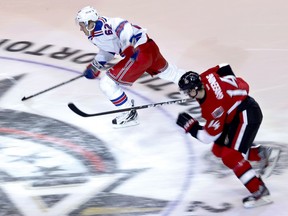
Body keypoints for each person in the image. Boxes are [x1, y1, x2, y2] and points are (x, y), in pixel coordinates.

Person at [176, 63, 280, 208]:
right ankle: (262, 154)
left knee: (230, 156)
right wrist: (231, 89)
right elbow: (224, 66)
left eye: (188, 91)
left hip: (246, 115)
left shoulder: (212, 108)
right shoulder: (206, 76)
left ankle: (259, 191)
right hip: (234, 113)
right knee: (218, 150)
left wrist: (191, 127)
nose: (187, 95)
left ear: (195, 88)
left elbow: (207, 137)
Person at [75, 6, 186, 128]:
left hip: (139, 53)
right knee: (168, 72)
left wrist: (128, 45)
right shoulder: (93, 35)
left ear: (89, 23)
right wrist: (95, 65)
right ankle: (197, 82)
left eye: (81, 25)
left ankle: (129, 113)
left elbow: (124, 26)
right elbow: (108, 50)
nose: (80, 28)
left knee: (107, 83)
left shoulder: (109, 23)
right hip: (149, 47)